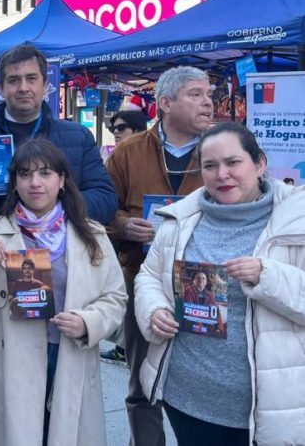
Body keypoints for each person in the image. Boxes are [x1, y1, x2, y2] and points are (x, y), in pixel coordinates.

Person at [135, 122, 305, 445]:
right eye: (210, 166)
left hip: (268, 408)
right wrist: (153, 309)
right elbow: (148, 277)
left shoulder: (295, 222)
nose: (221, 174)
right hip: (186, 398)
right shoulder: (180, 220)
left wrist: (266, 276)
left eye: (233, 162)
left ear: (259, 163)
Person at [0, 139, 126, 445]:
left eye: (45, 173)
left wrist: (88, 322)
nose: (35, 183)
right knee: (20, 434)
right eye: (25, 174)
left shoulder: (92, 235)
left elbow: (116, 297)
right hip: (13, 358)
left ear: (62, 180)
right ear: (15, 182)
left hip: (69, 350)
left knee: (64, 432)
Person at [106, 65, 212, 446]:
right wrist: (123, 226)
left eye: (209, 94)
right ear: (165, 103)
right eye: (196, 94)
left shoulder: (223, 148)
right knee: (143, 385)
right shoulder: (128, 153)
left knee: (206, 385)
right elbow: (101, 210)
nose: (208, 102)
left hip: (206, 286)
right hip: (143, 281)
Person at [0, 44, 117, 223]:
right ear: (1, 88)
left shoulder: (79, 136)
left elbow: (105, 199)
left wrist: (51, 209)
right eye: (13, 80)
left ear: (45, 84)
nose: (23, 88)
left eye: (31, 78)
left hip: (59, 248)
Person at [99, 108, 149, 363]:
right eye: (113, 129)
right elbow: (108, 205)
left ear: (139, 129)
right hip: (134, 257)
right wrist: (123, 226)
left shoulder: (147, 154)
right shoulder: (118, 157)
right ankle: (123, 347)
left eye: (121, 128)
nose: (116, 133)